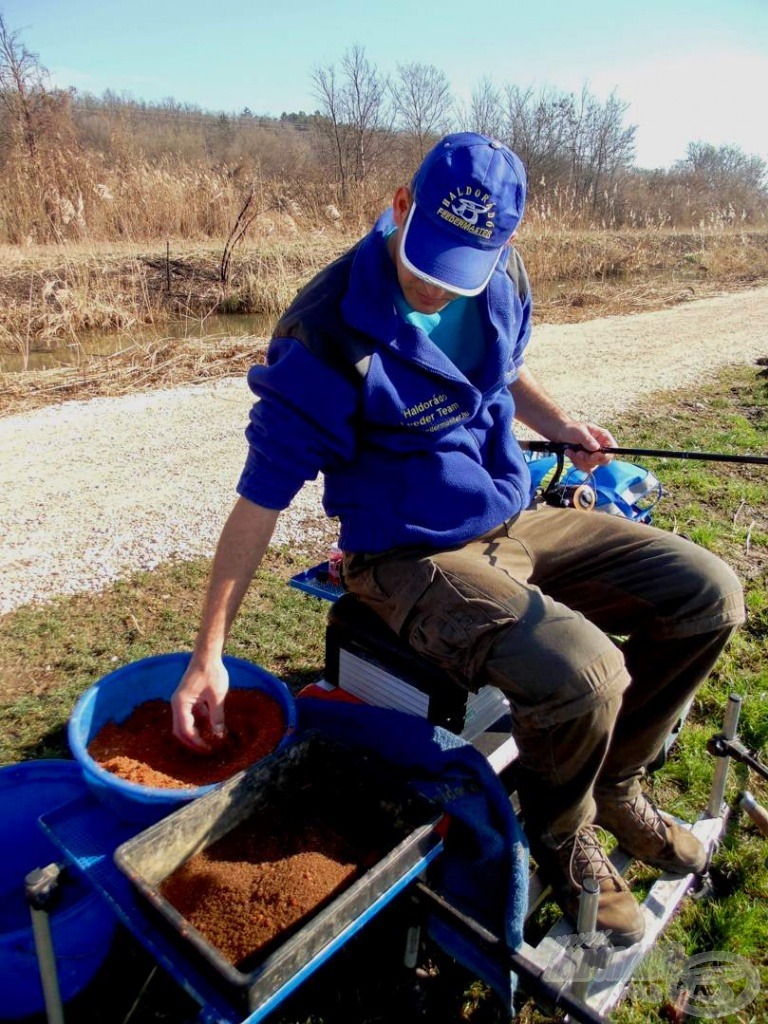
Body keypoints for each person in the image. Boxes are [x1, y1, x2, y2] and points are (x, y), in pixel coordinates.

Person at [171, 132, 745, 946]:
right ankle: (562, 831)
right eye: (429, 262)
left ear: (505, 244)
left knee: (709, 595)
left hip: (513, 515)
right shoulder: (327, 330)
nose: (440, 289)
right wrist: (209, 653)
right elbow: (259, 500)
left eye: (463, 270)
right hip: (407, 554)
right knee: (587, 675)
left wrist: (561, 424)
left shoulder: (502, 277)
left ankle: (617, 781)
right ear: (401, 207)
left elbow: (504, 370)